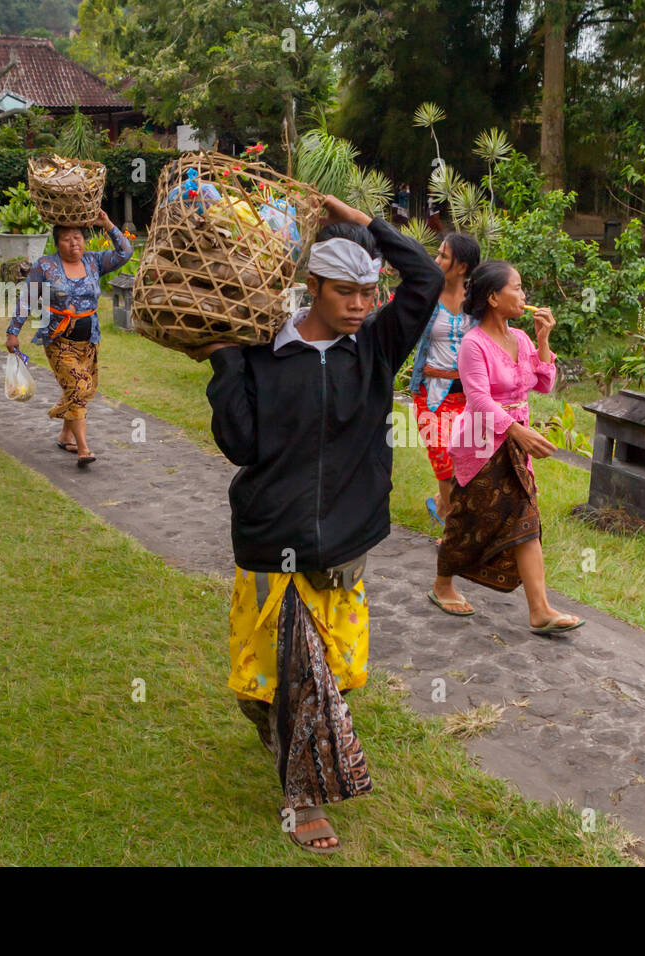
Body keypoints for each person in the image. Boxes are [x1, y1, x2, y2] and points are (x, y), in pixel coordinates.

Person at [193, 194, 443, 854]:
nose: (361, 305)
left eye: (368, 292)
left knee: (333, 673)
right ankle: (301, 795)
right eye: (346, 293)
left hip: (344, 545)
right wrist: (225, 360)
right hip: (271, 541)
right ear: (313, 287)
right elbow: (242, 445)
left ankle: (284, 735)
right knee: (275, 680)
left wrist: (365, 223)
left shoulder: (376, 349)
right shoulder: (262, 351)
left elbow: (425, 277)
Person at [430, 261, 583, 635]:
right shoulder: (473, 344)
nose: (524, 294)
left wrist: (544, 340)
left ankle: (540, 609)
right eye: (517, 287)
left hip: (514, 445)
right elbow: (479, 400)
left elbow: (544, 385)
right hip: (479, 446)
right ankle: (442, 584)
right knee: (466, 519)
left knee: (525, 517)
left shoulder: (523, 339)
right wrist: (516, 431)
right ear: (494, 297)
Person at [4, 210, 131, 467]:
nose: (74, 244)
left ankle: (65, 434)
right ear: (56, 243)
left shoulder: (94, 261)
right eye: (67, 239)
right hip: (58, 340)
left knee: (83, 388)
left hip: (89, 340)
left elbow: (125, 253)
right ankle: (84, 448)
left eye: (78, 238)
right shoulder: (45, 266)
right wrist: (13, 332)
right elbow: (28, 297)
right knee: (78, 387)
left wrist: (108, 224)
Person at [407, 233, 480, 526]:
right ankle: (452, 532)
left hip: (469, 395)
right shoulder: (426, 296)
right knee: (443, 460)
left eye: (443, 256)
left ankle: (440, 503)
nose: (436, 261)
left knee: (464, 461)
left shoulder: (479, 301)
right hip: (431, 392)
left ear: (461, 266)